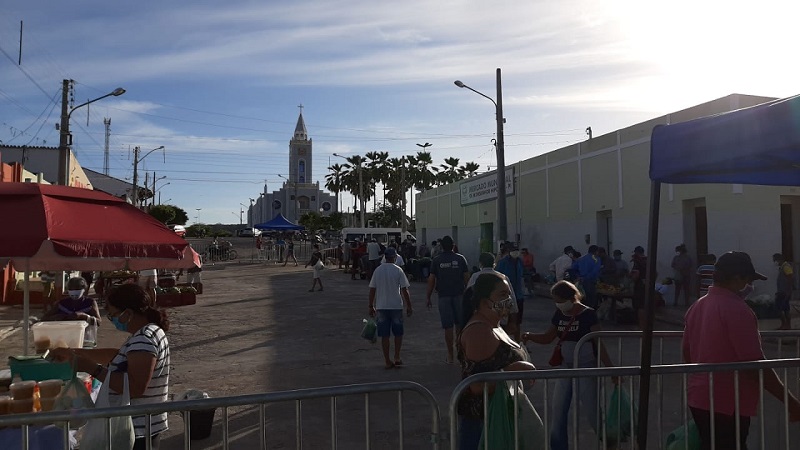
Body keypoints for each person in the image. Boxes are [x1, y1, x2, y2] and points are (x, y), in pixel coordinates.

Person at [683, 251, 800, 449]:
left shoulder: (698, 306)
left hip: (700, 398)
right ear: (737, 278)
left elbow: (687, 353)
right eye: (746, 280)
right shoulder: (737, 309)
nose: (748, 286)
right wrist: (791, 402)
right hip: (727, 402)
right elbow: (754, 364)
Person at [51, 283, 170, 450]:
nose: (113, 321)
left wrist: (93, 368)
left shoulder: (144, 339)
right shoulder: (145, 333)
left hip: (138, 429)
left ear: (128, 313)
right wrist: (74, 353)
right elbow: (118, 356)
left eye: (113, 315)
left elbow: (135, 387)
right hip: (142, 425)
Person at [523, 280, 616, 450]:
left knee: (592, 411)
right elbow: (548, 337)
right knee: (558, 411)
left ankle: (609, 441)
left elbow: (598, 341)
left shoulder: (588, 314)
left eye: (559, 300)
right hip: (566, 366)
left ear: (570, 298)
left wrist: (611, 368)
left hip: (586, 367)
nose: (557, 304)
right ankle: (558, 446)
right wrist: (529, 336)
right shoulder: (559, 314)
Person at [457, 272, 536, 450]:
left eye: (508, 294)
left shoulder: (495, 325)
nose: (508, 299)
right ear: (485, 301)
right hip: (483, 422)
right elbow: (477, 386)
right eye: (502, 295)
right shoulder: (479, 330)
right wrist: (516, 368)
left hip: (499, 415)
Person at [426, 235, 470, 364]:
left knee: (448, 327)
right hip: (459, 295)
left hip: (443, 296)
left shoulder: (437, 260)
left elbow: (431, 280)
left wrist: (428, 297)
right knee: (460, 325)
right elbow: (467, 278)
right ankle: (461, 352)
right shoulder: (461, 259)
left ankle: (450, 355)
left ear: (441, 246)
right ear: (453, 245)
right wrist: (469, 295)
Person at [368, 247, 413, 369]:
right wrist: (409, 305)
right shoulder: (398, 270)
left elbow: (372, 289)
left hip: (381, 307)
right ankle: (397, 357)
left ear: (384, 257)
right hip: (396, 306)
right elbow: (405, 290)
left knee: (384, 335)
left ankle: (387, 360)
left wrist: (370, 305)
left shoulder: (378, 271)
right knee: (398, 334)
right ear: (394, 257)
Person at [466, 252, 519, 337]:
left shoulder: (475, 277)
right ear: (494, 263)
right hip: (500, 318)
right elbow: (512, 300)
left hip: (481, 319)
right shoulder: (503, 277)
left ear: (481, 263)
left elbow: (468, 298)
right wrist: (513, 321)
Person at [42, 277, 101, 345]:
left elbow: (98, 322)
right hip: (63, 339)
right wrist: (56, 317)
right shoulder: (61, 303)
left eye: (77, 289)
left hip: (84, 339)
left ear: (84, 289)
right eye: (71, 289)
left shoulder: (90, 303)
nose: (74, 292)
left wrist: (84, 316)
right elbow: (44, 318)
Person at [495, 243, 525, 341]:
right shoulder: (503, 262)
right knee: (504, 321)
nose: (515, 252)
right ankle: (504, 342)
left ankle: (518, 343)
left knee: (517, 321)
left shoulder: (520, 261)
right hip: (506, 296)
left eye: (517, 250)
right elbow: (497, 276)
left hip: (518, 295)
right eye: (513, 250)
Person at [574, 245, 602, 309]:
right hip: (590, 281)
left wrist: (578, 276)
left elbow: (573, 268)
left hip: (581, 281)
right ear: (596, 251)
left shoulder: (581, 258)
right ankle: (590, 314)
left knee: (582, 298)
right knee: (591, 299)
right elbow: (595, 272)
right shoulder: (597, 259)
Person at [773, 253, 794, 330]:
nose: (775, 262)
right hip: (781, 292)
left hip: (785, 292)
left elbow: (790, 279)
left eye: (775, 260)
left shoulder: (786, 267)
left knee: (784, 309)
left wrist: (788, 291)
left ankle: (787, 325)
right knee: (782, 309)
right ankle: (784, 325)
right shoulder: (782, 267)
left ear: (779, 259)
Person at [630, 246, 648, 329]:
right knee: (646, 306)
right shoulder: (648, 260)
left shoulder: (638, 261)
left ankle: (641, 327)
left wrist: (631, 278)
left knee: (640, 307)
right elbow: (656, 273)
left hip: (640, 286)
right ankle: (647, 326)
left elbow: (636, 274)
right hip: (648, 285)